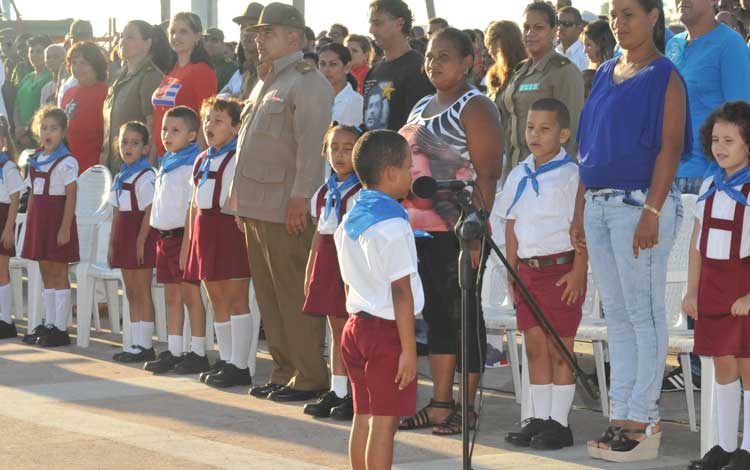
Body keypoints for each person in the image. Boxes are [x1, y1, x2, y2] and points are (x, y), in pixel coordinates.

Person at [574, 0, 691, 462]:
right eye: (615, 15)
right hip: (598, 204)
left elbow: (671, 147)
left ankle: (645, 420)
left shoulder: (665, 75)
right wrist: (578, 208)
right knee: (617, 316)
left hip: (639, 203)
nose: (620, 23)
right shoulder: (604, 71)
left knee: (643, 314)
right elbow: (588, 145)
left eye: (630, 14)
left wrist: (654, 212)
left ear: (653, 17)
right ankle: (622, 414)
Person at [397, 28, 503, 436]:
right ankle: (439, 403)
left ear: (468, 62)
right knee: (437, 319)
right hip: (419, 231)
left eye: (444, 56)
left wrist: (475, 233)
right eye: (429, 56)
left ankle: (466, 406)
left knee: (464, 318)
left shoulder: (475, 106)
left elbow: (489, 174)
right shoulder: (421, 105)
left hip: (460, 231)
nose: (433, 63)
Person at [228, 2, 334, 402]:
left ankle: (309, 374)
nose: (259, 38)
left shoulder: (307, 81)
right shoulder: (265, 80)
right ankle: (284, 369)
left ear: (294, 37)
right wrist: (240, 203)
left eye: (267, 32)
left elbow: (311, 147)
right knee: (270, 296)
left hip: (286, 205)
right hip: (258, 204)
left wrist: (301, 198)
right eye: (258, 33)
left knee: (292, 292)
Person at [500, 98, 586, 450]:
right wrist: (512, 267)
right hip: (528, 274)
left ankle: (559, 422)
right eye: (530, 127)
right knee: (534, 347)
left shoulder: (573, 175)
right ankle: (537, 417)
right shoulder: (519, 172)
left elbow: (582, 229)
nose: (535, 134)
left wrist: (580, 270)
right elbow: (510, 224)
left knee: (560, 348)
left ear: (563, 134)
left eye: (545, 128)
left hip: (562, 270)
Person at [334, 129, 423, 470]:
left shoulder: (350, 218)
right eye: (409, 167)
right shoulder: (394, 224)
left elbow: (346, 282)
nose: (412, 174)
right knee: (385, 425)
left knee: (363, 417)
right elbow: (401, 292)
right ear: (390, 173)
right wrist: (409, 350)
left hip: (356, 326)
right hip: (387, 332)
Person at [683, 102, 750, 470]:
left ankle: (748, 448)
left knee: (747, 365)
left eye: (730, 140)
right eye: (715, 140)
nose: (720, 147)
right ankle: (724, 445)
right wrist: (692, 291)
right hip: (712, 286)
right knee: (722, 364)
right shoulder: (710, 185)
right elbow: (697, 245)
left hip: (743, 285)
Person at [184, 97, 253, 388]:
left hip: (228, 227)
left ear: (236, 128)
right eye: (208, 119)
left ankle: (240, 364)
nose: (210, 125)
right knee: (216, 297)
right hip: (204, 228)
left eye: (219, 121)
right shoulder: (201, 159)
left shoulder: (238, 157)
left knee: (236, 296)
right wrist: (188, 242)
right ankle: (225, 359)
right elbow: (193, 203)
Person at [302, 123, 364, 420]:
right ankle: (338, 390)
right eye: (334, 148)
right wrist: (310, 268)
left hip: (349, 264)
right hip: (327, 260)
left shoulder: (361, 191)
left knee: (350, 330)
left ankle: (355, 392)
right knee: (335, 327)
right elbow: (319, 233)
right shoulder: (325, 190)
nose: (339, 155)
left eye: (348, 148)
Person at [144, 106, 207, 375]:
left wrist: (186, 246)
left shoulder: (191, 164)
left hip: (183, 238)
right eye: (164, 130)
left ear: (192, 135)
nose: (167, 135)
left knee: (190, 296)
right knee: (171, 296)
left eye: (176, 130)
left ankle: (198, 351)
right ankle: (175, 349)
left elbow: (190, 209)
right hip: (164, 237)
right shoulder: (167, 162)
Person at [666, 0, 750, 197]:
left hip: (708, 179)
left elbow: (742, 119)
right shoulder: (673, 44)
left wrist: (719, 178)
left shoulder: (731, 45)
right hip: (666, 176)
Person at [500, 2, 584, 183]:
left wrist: (557, 176)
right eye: (526, 28)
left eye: (539, 27)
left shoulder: (564, 71)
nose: (530, 33)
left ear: (554, 30)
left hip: (548, 175)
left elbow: (572, 131)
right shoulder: (521, 70)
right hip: (516, 170)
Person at [20, 106, 79, 348]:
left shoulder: (68, 161)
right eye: (44, 128)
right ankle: (49, 321)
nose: (48, 133)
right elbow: (33, 194)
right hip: (39, 221)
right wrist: (30, 224)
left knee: (58, 271)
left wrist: (65, 227)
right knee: (46, 272)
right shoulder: (36, 159)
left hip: (57, 221)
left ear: (63, 132)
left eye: (54, 128)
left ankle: (60, 328)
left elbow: (71, 196)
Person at [108, 121, 159, 363]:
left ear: (145, 148)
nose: (128, 147)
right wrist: (111, 242)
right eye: (124, 142)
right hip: (123, 235)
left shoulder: (146, 174)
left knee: (142, 290)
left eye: (135, 143)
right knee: (130, 291)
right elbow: (117, 212)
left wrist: (141, 240)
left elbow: (149, 209)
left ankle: (146, 345)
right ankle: (135, 344)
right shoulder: (120, 175)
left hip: (141, 235)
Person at [101, 21, 169, 173]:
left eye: (130, 37)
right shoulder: (119, 77)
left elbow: (153, 125)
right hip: (114, 166)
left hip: (137, 170)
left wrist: (148, 170)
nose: (122, 41)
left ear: (147, 44)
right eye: (121, 36)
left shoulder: (150, 77)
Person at [151, 12, 217, 155]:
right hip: (162, 156)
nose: (176, 37)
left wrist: (198, 160)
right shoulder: (170, 72)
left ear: (197, 36)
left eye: (183, 32)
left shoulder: (202, 71)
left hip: (186, 157)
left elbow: (206, 118)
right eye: (173, 32)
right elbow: (158, 120)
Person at [363, 0, 435, 131]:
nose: (371, 30)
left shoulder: (419, 69)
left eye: (377, 23)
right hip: (371, 150)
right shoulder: (373, 71)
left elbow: (418, 129)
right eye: (370, 23)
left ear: (399, 23)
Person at [60, 42, 108, 174]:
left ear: (96, 65)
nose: (77, 67)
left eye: (84, 63)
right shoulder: (69, 93)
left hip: (94, 167)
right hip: (68, 166)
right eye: (74, 62)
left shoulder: (106, 93)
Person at [0, 117, 23, 340]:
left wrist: (8, 229)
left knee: (1, 270)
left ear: (3, 141)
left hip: (3, 219)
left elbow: (15, 198)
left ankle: (5, 319)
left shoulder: (8, 167)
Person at [13, 35, 52, 150]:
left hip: (39, 134)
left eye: (39, 51)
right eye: (31, 51)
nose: (34, 55)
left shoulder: (51, 77)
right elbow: (17, 105)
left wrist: (27, 131)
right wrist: (18, 128)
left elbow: (47, 108)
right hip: (20, 135)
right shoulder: (27, 78)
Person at [219, 3, 263, 101]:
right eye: (242, 27)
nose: (246, 32)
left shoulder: (271, 72)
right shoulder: (243, 73)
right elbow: (218, 99)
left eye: (252, 27)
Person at [318, 43, 363, 126]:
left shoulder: (355, 101)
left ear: (347, 67)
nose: (326, 69)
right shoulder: (312, 97)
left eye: (333, 64)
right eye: (322, 64)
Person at [484, 21, 528, 105]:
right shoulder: (494, 76)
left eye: (490, 46)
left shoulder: (528, 72)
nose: (489, 52)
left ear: (499, 44)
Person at [203, 27, 236, 92]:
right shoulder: (198, 66)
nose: (209, 44)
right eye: (206, 40)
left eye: (214, 40)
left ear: (222, 45)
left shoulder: (230, 69)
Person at [556, 6, 589, 71]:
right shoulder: (553, 52)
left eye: (567, 24)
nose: (560, 27)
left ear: (579, 28)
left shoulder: (586, 56)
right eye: (558, 23)